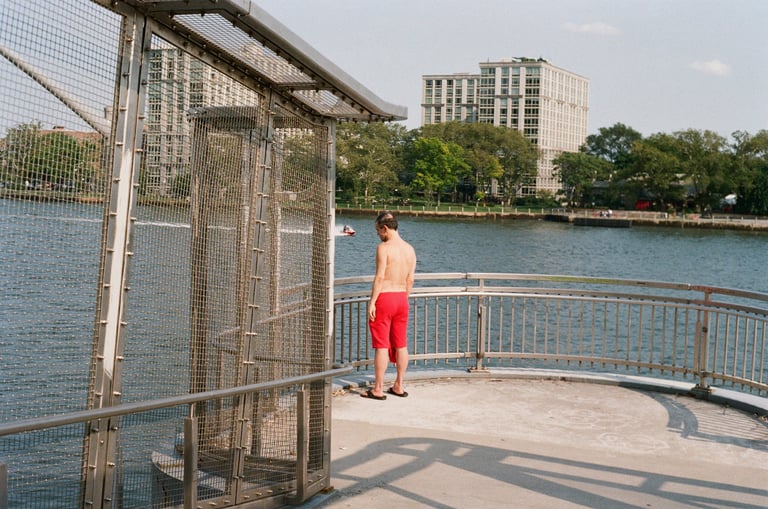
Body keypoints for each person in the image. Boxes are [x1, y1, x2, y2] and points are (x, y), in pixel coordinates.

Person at [362, 211, 417, 400]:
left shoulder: (384, 248)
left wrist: (372, 302)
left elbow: (380, 277)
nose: (378, 234)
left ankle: (378, 388)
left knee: (381, 345)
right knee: (401, 344)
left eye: (378, 230)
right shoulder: (410, 249)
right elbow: (410, 279)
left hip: (385, 298)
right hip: (402, 298)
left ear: (385, 228)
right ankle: (399, 385)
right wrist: (404, 298)